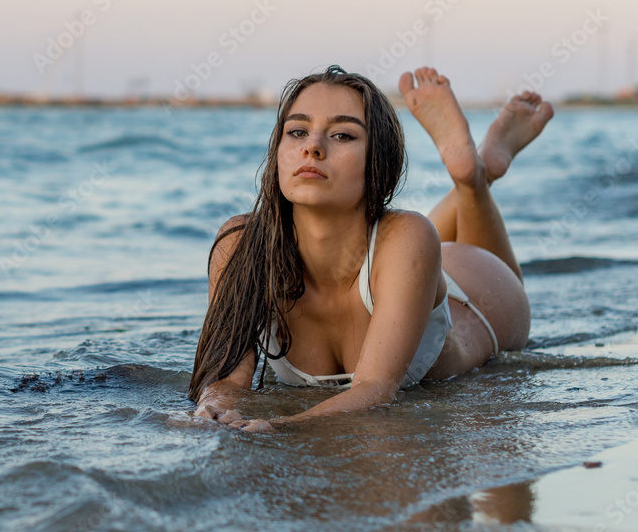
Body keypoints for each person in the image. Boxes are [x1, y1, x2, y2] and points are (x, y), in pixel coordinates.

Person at [188, 66, 554, 433]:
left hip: (482, 298)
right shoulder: (239, 245)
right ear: (277, 153)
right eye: (297, 131)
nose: (312, 146)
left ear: (377, 161)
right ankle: (476, 171)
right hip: (394, 267)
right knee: (401, 246)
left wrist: (279, 426)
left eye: (343, 135)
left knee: (415, 238)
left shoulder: (409, 236)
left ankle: (471, 179)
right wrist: (213, 413)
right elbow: (227, 380)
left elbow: (375, 390)